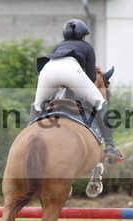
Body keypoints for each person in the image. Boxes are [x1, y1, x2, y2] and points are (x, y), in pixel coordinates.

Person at [33, 19, 125, 164]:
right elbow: (91, 77)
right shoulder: (87, 47)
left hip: (47, 71)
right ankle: (110, 147)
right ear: (83, 36)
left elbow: (60, 78)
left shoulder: (58, 46)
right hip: (71, 71)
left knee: (37, 106)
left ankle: (30, 134)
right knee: (101, 104)